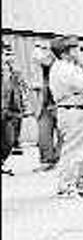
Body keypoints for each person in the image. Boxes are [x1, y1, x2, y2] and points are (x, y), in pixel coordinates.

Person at [48, 36, 83, 198]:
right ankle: (66, 185)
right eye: (75, 49)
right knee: (73, 150)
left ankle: (79, 181)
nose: (79, 52)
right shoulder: (65, 69)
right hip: (74, 111)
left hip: (81, 110)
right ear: (65, 53)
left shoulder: (71, 67)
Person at [32, 45, 60, 172]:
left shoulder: (60, 66)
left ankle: (58, 159)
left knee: (62, 134)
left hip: (59, 104)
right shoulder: (38, 69)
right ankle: (47, 160)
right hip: (43, 104)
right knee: (43, 134)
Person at [1, 42, 25, 176]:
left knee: (9, 140)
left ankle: (2, 161)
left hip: (10, 110)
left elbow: (20, 90)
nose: (8, 57)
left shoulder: (13, 71)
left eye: (9, 54)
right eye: (5, 53)